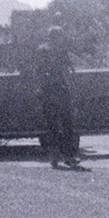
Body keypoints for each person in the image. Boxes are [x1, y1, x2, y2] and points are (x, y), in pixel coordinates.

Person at [34, 26, 80, 168]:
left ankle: (54, 157)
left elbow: (37, 71)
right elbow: (66, 71)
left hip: (47, 91)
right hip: (60, 90)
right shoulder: (60, 51)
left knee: (52, 126)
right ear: (58, 37)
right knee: (67, 125)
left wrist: (39, 89)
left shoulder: (41, 51)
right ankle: (68, 156)